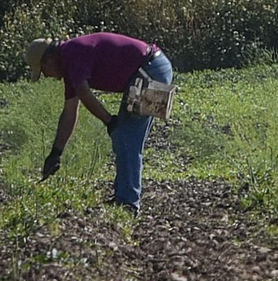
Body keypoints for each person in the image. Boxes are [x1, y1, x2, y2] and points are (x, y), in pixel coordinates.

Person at [24, 32, 174, 214]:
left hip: (151, 70)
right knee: (125, 136)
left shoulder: (72, 53)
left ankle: (128, 204)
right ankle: (123, 197)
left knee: (126, 137)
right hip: (150, 69)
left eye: (43, 71)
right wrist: (56, 152)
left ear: (48, 59)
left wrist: (110, 122)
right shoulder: (69, 64)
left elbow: (85, 94)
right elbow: (70, 112)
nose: (47, 76)